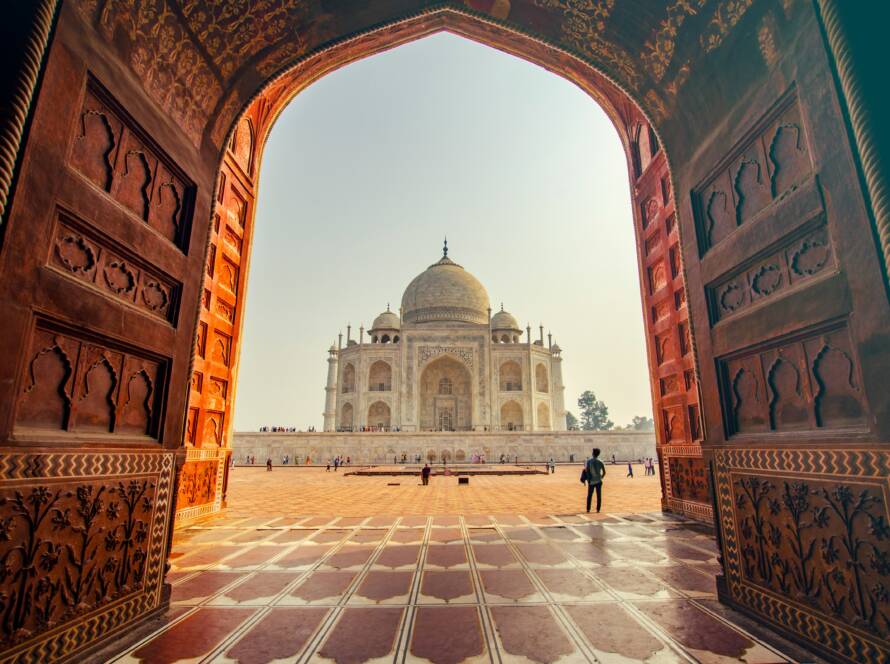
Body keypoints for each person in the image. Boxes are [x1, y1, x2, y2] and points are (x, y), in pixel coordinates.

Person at [583, 448, 606, 513]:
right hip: (599, 481)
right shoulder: (600, 461)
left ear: (593, 453)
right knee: (599, 496)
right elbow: (604, 472)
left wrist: (588, 479)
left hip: (591, 481)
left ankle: (588, 509)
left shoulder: (589, 461)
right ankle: (598, 509)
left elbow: (587, 471)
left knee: (589, 496)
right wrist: (601, 477)